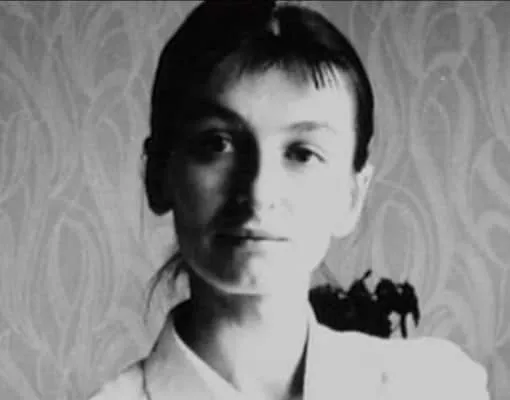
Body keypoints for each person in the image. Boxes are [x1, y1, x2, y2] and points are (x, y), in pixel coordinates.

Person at [89, 1, 489, 399]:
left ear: (352, 194)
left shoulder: (435, 384)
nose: (258, 193)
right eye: (217, 143)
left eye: (302, 153)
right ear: (158, 174)